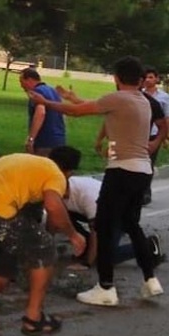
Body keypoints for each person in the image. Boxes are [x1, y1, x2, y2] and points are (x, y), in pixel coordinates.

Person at [28, 56, 163, 307]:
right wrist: (70, 97)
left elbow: (77, 112)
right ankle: (150, 279)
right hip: (143, 170)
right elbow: (91, 106)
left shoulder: (119, 98)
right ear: (140, 79)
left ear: (117, 77)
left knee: (102, 226)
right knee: (132, 225)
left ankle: (105, 287)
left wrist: (44, 101)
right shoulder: (143, 101)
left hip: (122, 170)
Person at [0, 153, 85, 336]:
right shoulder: (56, 175)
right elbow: (53, 206)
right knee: (44, 250)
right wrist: (73, 235)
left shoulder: (30, 166)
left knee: (2, 270)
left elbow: (32, 214)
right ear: (67, 173)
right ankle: (34, 318)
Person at [47, 146, 164, 269]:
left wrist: (87, 263)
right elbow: (53, 217)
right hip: (95, 212)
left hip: (118, 214)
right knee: (60, 213)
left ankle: (148, 245)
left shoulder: (88, 196)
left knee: (106, 256)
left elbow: (95, 232)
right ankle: (86, 246)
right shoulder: (55, 189)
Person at [19, 68, 66, 156]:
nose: (21, 86)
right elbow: (62, 113)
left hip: (44, 141)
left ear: (29, 80)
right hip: (59, 140)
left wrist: (31, 139)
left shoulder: (37, 93)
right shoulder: (53, 91)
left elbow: (41, 113)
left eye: (21, 82)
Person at [141, 66, 169, 204]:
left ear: (157, 79)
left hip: (154, 135)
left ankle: (146, 193)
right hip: (139, 133)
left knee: (148, 164)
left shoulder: (164, 97)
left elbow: (166, 119)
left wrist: (164, 137)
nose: (148, 80)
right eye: (145, 77)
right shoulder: (139, 94)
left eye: (151, 77)